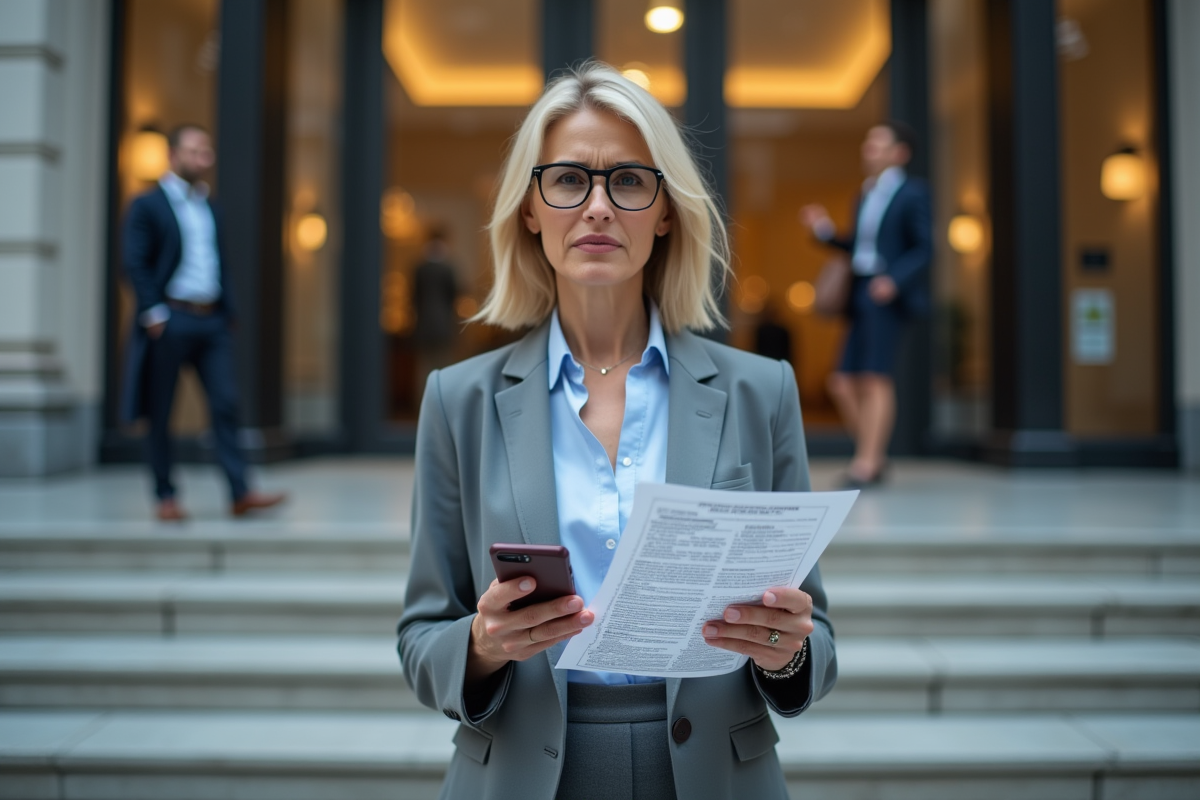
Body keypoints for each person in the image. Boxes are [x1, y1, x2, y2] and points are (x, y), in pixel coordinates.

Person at [397, 63, 836, 800]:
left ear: (665, 212)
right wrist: (479, 644)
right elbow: (419, 639)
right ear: (529, 209)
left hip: (713, 775)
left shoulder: (761, 392)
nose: (597, 207)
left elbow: (815, 639)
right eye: (569, 179)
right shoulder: (457, 400)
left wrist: (785, 652)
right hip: (524, 774)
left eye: (628, 181)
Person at [120, 124, 286, 522]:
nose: (204, 158)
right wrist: (154, 312)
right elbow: (134, 262)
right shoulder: (147, 205)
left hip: (211, 321)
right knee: (161, 410)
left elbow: (219, 262)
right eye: (195, 151)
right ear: (172, 155)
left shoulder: (210, 206)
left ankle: (240, 492)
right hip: (170, 319)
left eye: (206, 151)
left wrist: (228, 313)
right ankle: (166, 496)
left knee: (226, 403)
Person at [799, 121, 932, 489]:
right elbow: (858, 248)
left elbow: (924, 247)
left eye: (877, 144)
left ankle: (867, 462)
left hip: (887, 296)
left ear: (900, 153)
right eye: (868, 143)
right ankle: (873, 455)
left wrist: (894, 280)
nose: (867, 149)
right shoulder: (865, 194)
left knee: (874, 378)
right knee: (842, 382)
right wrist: (824, 232)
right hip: (859, 293)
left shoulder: (913, 193)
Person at [412, 226, 460, 394]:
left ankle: (422, 402)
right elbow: (454, 295)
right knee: (443, 367)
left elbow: (414, 297)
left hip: (423, 325)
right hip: (444, 324)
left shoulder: (420, 268)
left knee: (424, 368)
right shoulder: (447, 268)